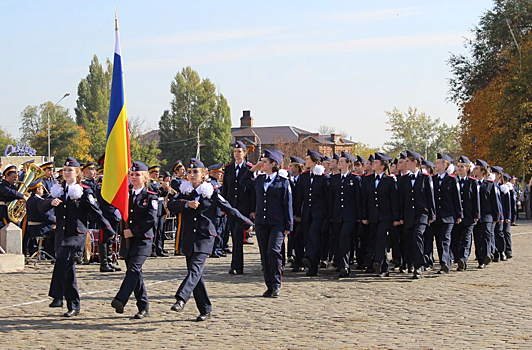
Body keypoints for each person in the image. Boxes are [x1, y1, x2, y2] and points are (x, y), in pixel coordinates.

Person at [168, 158, 252, 321]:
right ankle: (205, 308)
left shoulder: (211, 191)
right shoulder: (185, 191)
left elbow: (229, 208)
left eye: (196, 172)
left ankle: (181, 298)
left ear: (204, 174)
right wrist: (186, 204)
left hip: (205, 236)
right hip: (189, 236)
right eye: (190, 172)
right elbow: (171, 204)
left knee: (195, 270)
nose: (192, 175)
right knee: (196, 275)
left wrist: (246, 223)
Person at [45, 157, 115, 317]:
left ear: (77, 173)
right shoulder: (59, 190)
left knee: (62, 259)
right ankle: (74, 305)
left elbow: (96, 212)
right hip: (62, 234)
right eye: (64, 170)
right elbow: (43, 206)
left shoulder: (83, 190)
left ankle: (57, 296)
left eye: (70, 170)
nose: (66, 173)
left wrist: (108, 230)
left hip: (77, 233)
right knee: (68, 269)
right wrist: (50, 203)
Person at [241, 149, 293, 296]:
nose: (262, 164)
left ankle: (276, 284)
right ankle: (269, 285)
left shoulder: (283, 182)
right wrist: (254, 169)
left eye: (264, 162)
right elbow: (243, 181)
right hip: (262, 222)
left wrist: (289, 224)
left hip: (277, 222)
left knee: (274, 251)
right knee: (264, 254)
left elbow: (287, 202)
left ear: (273, 164)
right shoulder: (259, 180)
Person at [111, 161, 157, 319]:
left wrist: (134, 232)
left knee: (134, 269)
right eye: (132, 174)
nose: (134, 177)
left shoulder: (150, 197)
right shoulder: (126, 195)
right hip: (127, 240)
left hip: (142, 240)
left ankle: (120, 299)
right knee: (135, 274)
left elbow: (151, 219)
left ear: (144, 177)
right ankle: (143, 306)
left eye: (137, 175)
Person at [397, 150, 436, 279]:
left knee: (418, 235)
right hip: (408, 214)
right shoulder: (404, 180)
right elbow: (401, 199)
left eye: (407, 161)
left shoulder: (425, 178)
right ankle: (412, 263)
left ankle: (419, 266)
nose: (405, 163)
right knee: (409, 239)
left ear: (415, 162)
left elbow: (430, 197)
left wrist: (432, 214)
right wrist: (400, 216)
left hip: (421, 213)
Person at [361, 152, 400, 278]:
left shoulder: (389, 180)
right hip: (373, 216)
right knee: (375, 239)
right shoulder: (368, 180)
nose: (373, 164)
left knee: (381, 238)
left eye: (376, 163)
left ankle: (379, 262)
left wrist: (395, 218)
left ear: (383, 166)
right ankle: (383, 267)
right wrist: (364, 216)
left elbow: (394, 200)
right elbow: (364, 200)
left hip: (385, 216)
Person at [221, 141, 256, 275]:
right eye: (235, 152)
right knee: (234, 236)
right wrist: (223, 207)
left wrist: (253, 209)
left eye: (239, 152)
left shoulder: (249, 168)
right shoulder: (229, 168)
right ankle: (236, 265)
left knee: (237, 235)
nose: (237, 154)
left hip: (243, 208)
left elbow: (252, 191)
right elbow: (226, 188)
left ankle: (236, 265)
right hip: (231, 207)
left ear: (244, 153)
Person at [296, 149, 329, 276]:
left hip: (319, 213)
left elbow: (327, 196)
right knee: (307, 237)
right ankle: (311, 264)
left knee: (314, 236)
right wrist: (298, 213)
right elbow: (299, 197)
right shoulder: (304, 177)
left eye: (308, 159)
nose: (306, 161)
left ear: (315, 161)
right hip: (307, 213)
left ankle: (310, 259)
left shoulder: (323, 177)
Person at [329, 151, 362, 277]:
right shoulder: (335, 179)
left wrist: (360, 216)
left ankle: (345, 265)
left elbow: (358, 199)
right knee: (338, 239)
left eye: (342, 161)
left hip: (350, 215)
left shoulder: (354, 179)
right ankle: (341, 262)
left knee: (345, 238)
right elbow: (331, 198)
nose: (339, 163)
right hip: (337, 215)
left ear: (348, 164)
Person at [430, 153, 463, 274]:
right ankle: (446, 260)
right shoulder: (432, 179)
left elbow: (456, 198)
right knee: (439, 240)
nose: (436, 165)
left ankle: (445, 263)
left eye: (438, 163)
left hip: (449, 215)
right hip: (437, 215)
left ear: (444, 165)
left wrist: (459, 214)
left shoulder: (452, 180)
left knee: (445, 238)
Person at [451, 156, 480, 271]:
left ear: (467, 168)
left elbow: (476, 199)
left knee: (466, 238)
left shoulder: (472, 182)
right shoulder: (453, 181)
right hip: (455, 216)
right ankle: (457, 257)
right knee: (456, 238)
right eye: (458, 166)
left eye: (462, 167)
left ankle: (463, 258)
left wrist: (476, 215)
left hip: (468, 215)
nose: (459, 169)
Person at [472, 159, 501, 269]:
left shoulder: (489, 185)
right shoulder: (472, 183)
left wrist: (497, 216)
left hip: (487, 215)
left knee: (486, 235)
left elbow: (494, 201)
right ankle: (480, 259)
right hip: (475, 215)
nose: (474, 170)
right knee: (477, 237)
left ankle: (486, 255)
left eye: (477, 168)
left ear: (483, 171)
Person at [25, 178, 56, 258]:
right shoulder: (39, 201)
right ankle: (53, 255)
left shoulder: (30, 200)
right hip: (40, 228)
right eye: (42, 188)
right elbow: (46, 216)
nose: (43, 190)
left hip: (32, 228)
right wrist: (56, 219)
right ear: (38, 189)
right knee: (59, 232)